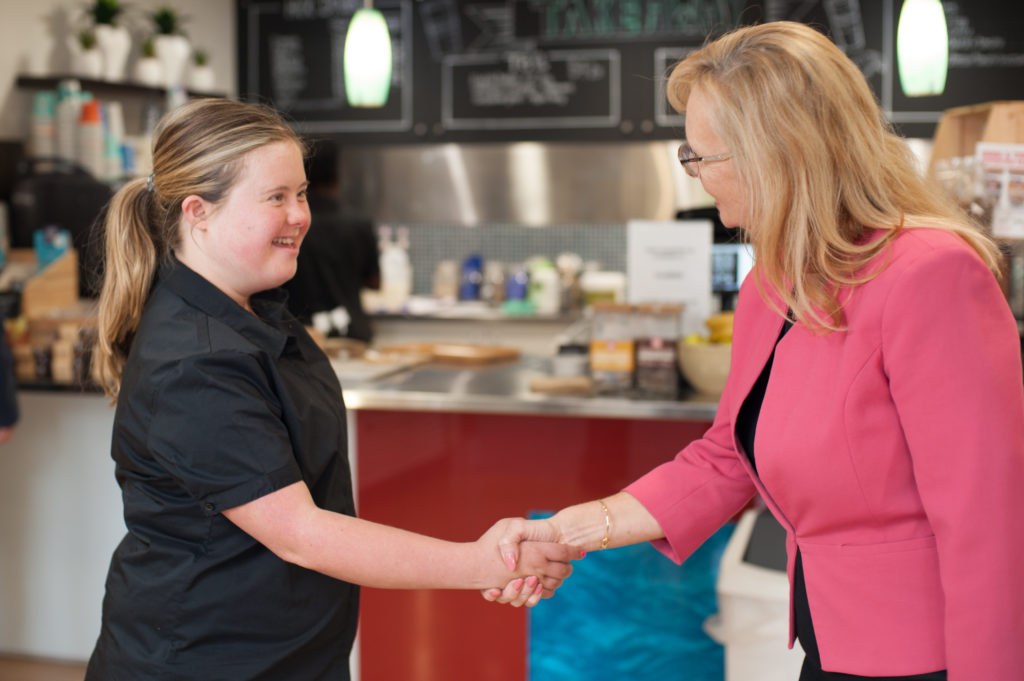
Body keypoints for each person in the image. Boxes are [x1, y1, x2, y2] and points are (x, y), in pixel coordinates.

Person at [487, 21, 1024, 681]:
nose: (695, 176)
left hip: (928, 656)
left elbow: (989, 527)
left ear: (779, 153)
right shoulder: (772, 281)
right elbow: (725, 458)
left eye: (701, 155)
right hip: (828, 643)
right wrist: (572, 529)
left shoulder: (930, 274)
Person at [86, 97, 576, 681]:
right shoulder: (195, 363)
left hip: (287, 651)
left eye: (301, 193)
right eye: (276, 197)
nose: (300, 215)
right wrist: (483, 563)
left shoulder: (259, 312)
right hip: (204, 659)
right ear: (199, 213)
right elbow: (303, 535)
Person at [282, 139, 380, 343]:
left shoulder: (288, 226)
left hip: (303, 336)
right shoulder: (358, 223)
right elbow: (374, 282)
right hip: (353, 335)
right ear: (337, 175)